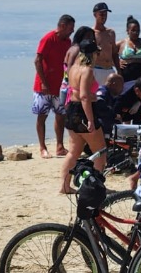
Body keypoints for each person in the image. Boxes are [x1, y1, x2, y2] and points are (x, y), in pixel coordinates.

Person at [59, 39, 106, 193]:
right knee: (100, 152)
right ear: (92, 54)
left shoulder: (72, 68)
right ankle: (97, 188)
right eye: (96, 53)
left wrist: (91, 97)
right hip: (84, 112)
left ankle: (64, 186)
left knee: (74, 152)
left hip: (72, 109)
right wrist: (91, 120)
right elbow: (85, 96)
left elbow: (75, 91)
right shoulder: (87, 70)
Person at [33, 14, 75, 159]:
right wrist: (44, 82)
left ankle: (59, 146)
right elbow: (37, 60)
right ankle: (42, 147)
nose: (72, 31)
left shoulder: (67, 41)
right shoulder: (48, 38)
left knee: (61, 115)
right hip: (44, 85)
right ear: (62, 26)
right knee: (42, 115)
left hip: (60, 85)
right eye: (70, 28)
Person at [61, 26, 96, 106]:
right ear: (81, 36)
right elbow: (70, 68)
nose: (90, 39)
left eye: (91, 37)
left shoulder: (73, 48)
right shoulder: (77, 49)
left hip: (66, 86)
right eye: (88, 37)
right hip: (71, 89)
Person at [92, 2, 120, 85]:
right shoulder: (91, 33)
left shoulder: (111, 33)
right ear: (95, 15)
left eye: (105, 14)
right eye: (101, 14)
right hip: (96, 69)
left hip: (109, 70)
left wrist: (118, 70)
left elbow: (114, 53)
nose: (104, 16)